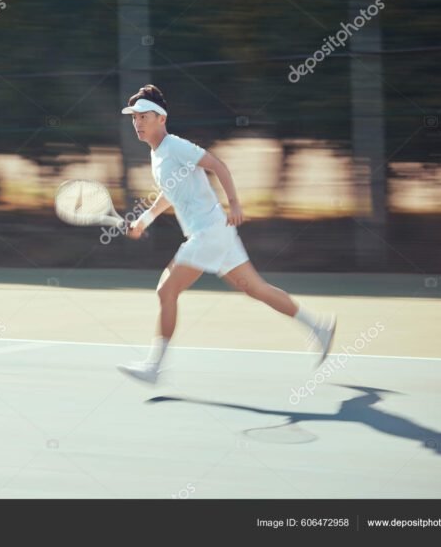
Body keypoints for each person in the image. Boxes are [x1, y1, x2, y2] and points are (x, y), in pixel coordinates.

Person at [116, 84, 336, 384]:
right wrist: (145, 219)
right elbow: (170, 194)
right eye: (134, 117)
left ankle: (154, 366)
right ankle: (319, 327)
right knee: (256, 289)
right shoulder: (158, 156)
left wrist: (234, 204)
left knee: (166, 291)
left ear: (161, 119)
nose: (137, 122)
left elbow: (217, 165)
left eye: (144, 116)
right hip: (215, 232)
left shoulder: (175, 146)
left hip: (208, 233)